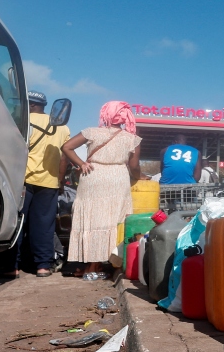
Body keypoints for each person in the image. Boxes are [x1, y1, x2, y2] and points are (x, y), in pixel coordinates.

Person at [60, 101, 146, 279]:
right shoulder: (132, 139)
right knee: (114, 220)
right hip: (117, 178)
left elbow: (66, 147)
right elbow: (134, 166)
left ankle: (91, 265)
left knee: (92, 220)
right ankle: (107, 264)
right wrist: (140, 176)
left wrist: (81, 163)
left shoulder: (91, 132)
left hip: (92, 176)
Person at [16, 91, 69, 278]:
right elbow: (64, 158)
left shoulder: (22, 120)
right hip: (49, 183)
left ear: (31, 105)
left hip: (22, 181)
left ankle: (12, 266)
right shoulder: (62, 127)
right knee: (44, 225)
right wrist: (60, 180)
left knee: (18, 222)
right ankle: (43, 266)